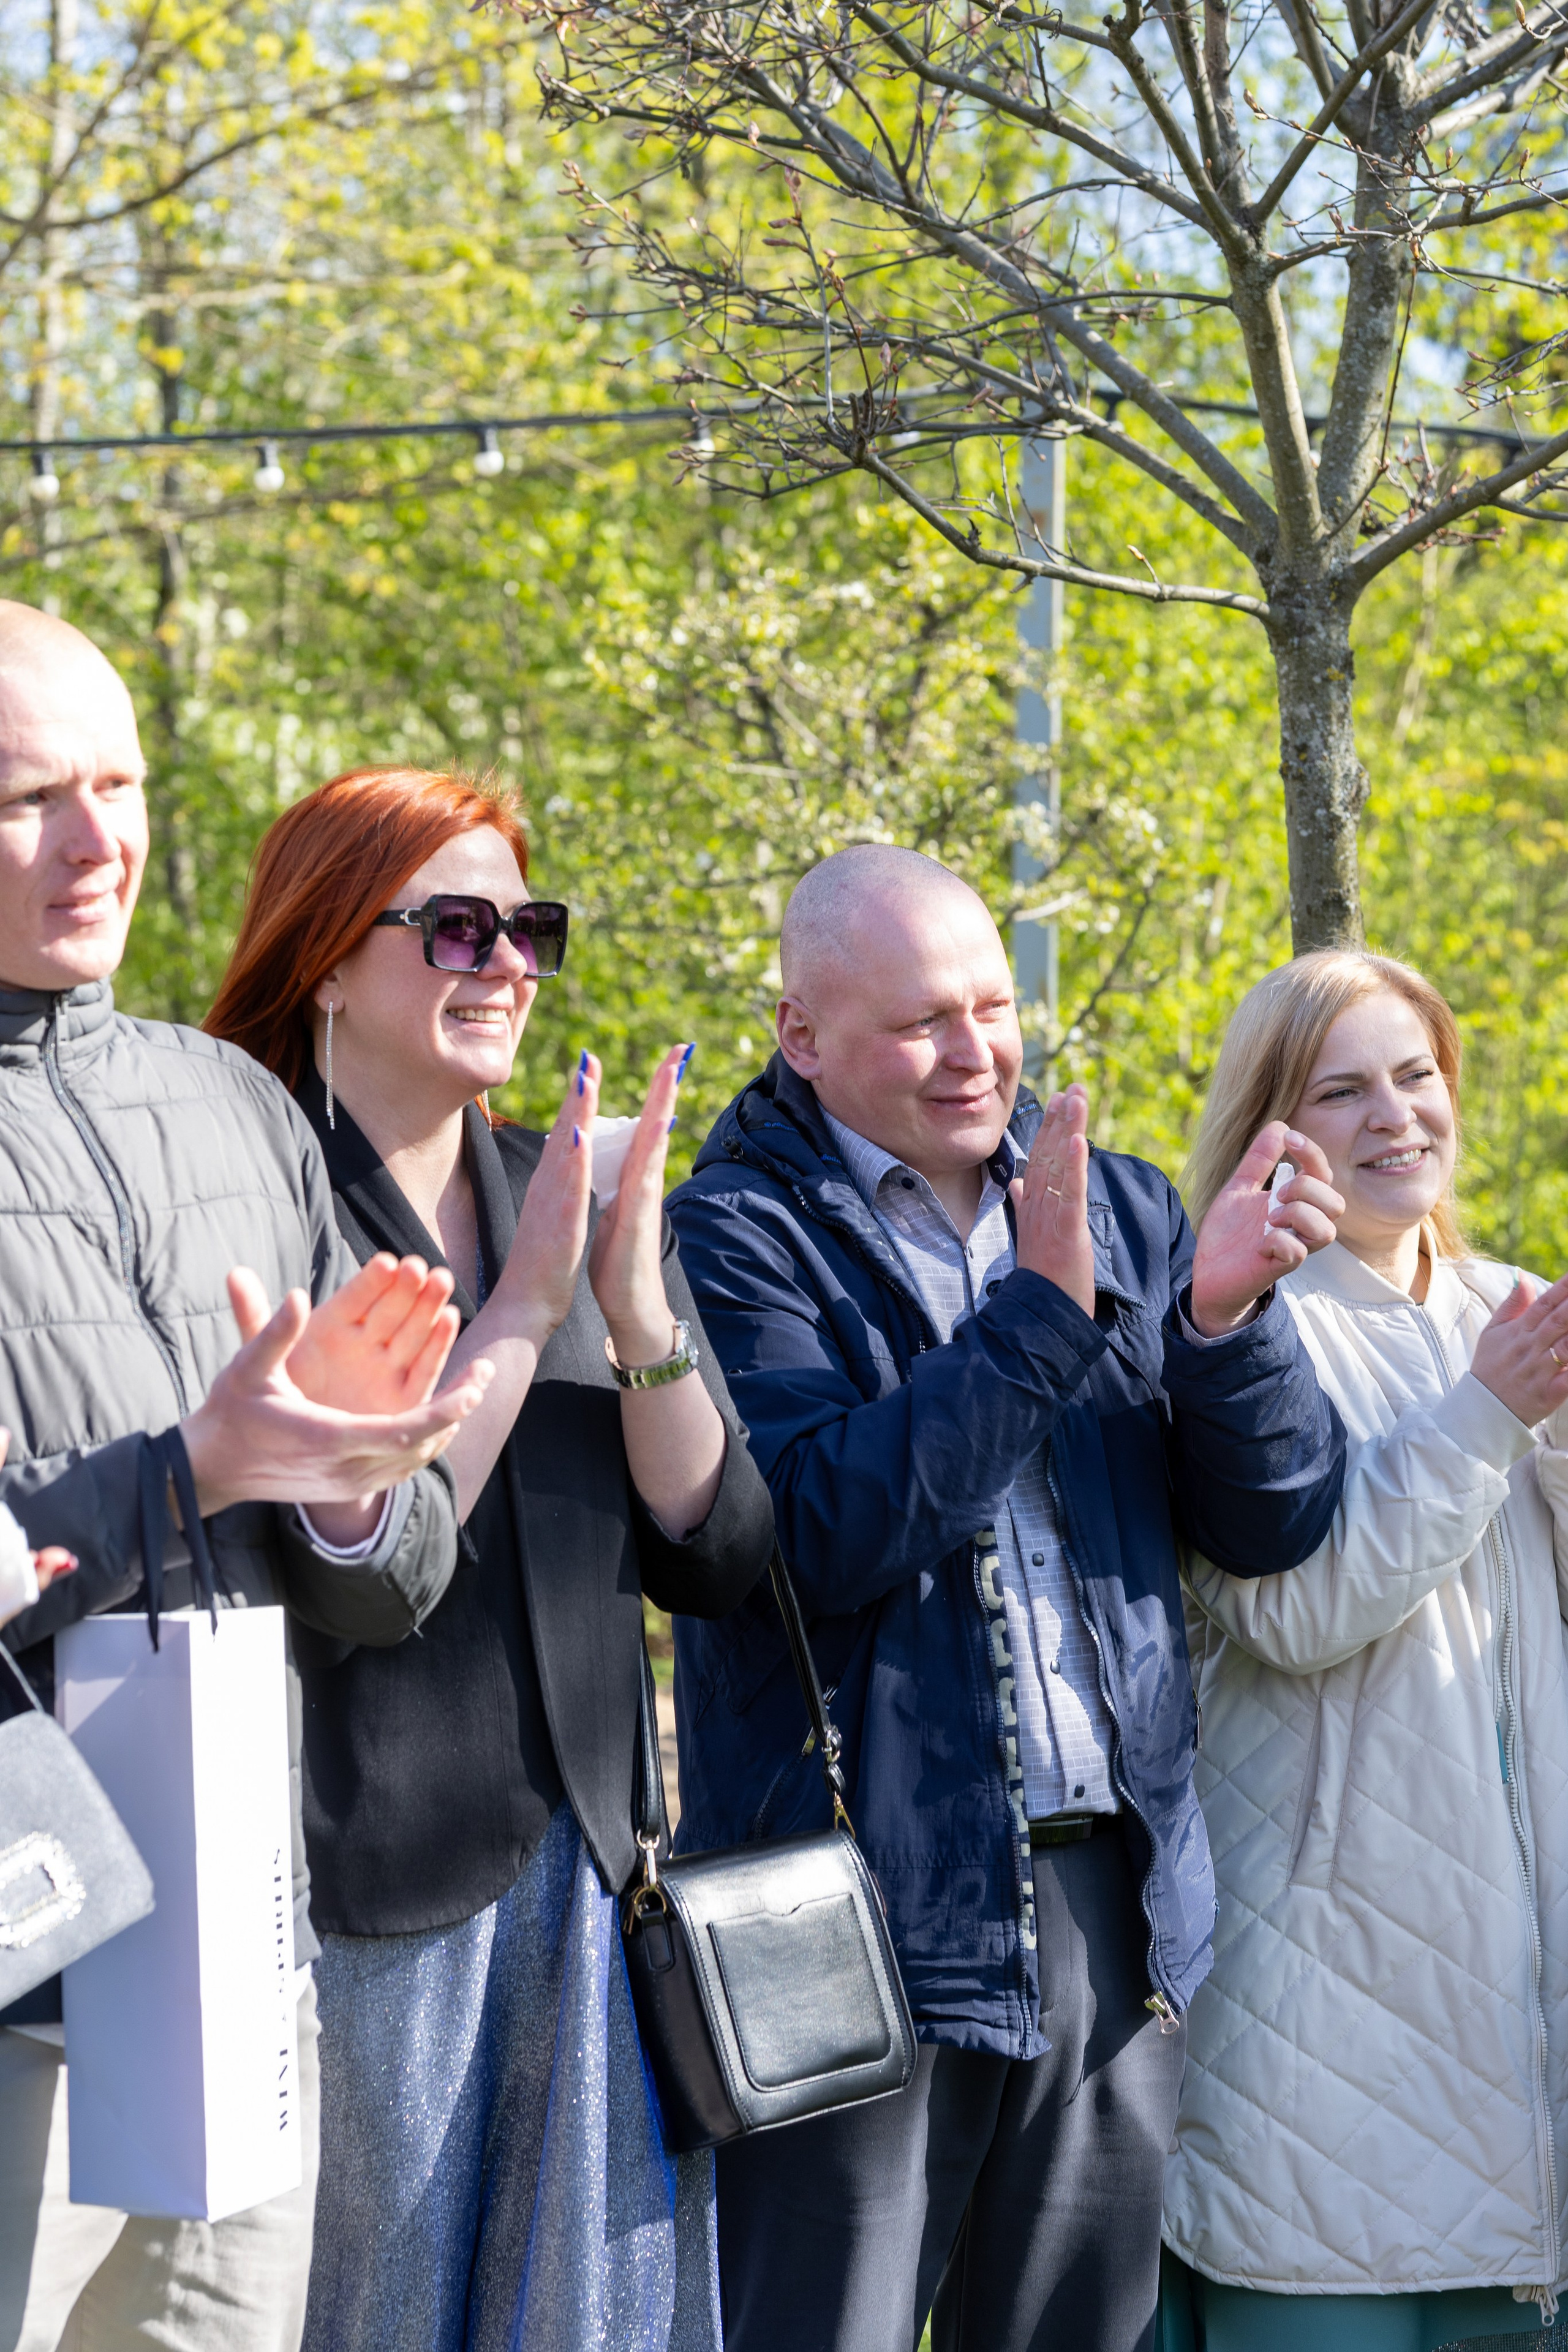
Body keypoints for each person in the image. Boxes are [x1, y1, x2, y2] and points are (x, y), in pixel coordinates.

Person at [663, 843, 1348, 2352]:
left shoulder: (1122, 1207)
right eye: (920, 1021)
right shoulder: (726, 1237)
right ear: (800, 1036)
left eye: (990, 1004)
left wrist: (1226, 1323)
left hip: (1111, 1893)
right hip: (854, 1903)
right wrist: (1039, 1314)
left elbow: (1272, 1524)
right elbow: (817, 1536)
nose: (973, 1051)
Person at [204, 765, 775, 2352]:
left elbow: (717, 1551)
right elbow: (347, 1577)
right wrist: (518, 1322)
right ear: (326, 954)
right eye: (458, 928)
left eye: (529, 927)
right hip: (354, 1899)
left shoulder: (562, 1188)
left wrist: (640, 1312)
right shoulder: (253, 1210)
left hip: (595, 1882)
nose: (509, 962)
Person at [0, 606, 488, 2352]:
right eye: (28, 798)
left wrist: (351, 1491)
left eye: (118, 784)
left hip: (225, 1951)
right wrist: (194, 1468)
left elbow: (392, 1582)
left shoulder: (237, 1109)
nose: (96, 841)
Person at [1162, 950, 1568, 2350]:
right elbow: (1289, 1615)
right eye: (1342, 1091)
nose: (1395, 1115)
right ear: (1277, 1126)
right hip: (1323, 2008)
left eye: (1414, 1074)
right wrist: (1480, 1421)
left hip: (1514, 2002)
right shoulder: (1236, 1332)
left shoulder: (1504, 1312)